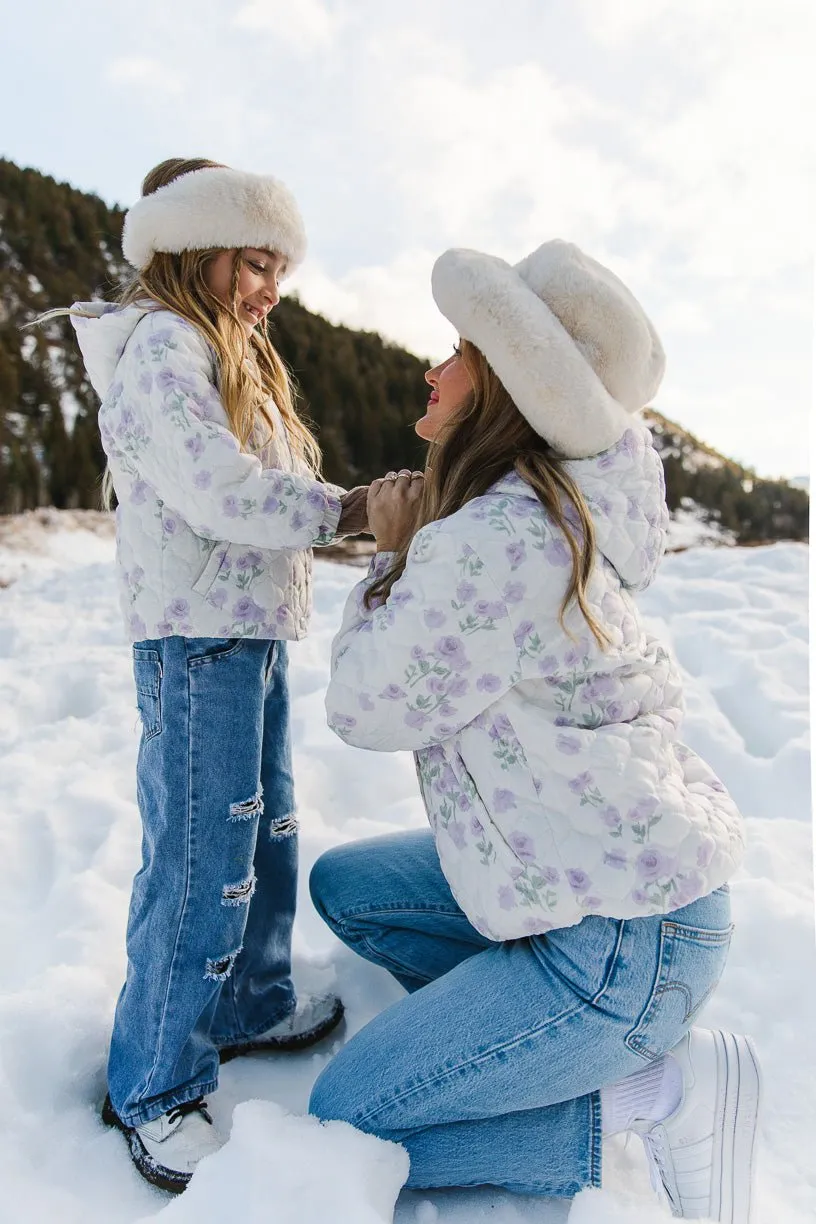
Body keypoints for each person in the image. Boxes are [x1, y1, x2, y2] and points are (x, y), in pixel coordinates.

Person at [309, 241, 761, 1222]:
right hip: (615, 896)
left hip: (617, 951)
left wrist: (392, 559)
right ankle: (522, 1042)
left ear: (506, 385)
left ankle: (652, 1092)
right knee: (351, 890)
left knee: (347, 1118)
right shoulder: (529, 518)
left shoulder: (497, 543)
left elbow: (366, 707)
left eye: (456, 350)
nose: (433, 370)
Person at [59, 158, 371, 1192]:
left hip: (247, 631)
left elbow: (270, 481)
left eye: (280, 267)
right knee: (201, 852)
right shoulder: (162, 349)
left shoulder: (230, 352)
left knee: (263, 827)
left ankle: (248, 997)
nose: (271, 288)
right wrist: (348, 511)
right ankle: (154, 1081)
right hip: (196, 641)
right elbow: (221, 490)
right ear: (195, 248)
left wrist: (345, 507)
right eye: (254, 262)